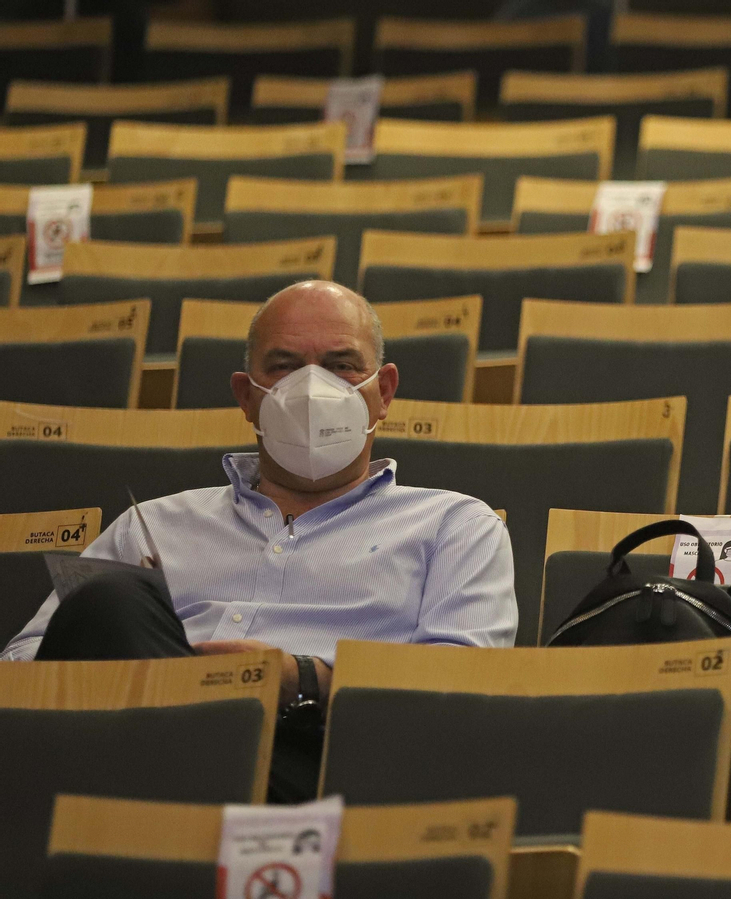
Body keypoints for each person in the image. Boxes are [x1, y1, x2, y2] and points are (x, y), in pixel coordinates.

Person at [2, 281, 517, 801]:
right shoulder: (149, 524)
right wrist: (166, 673)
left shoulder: (456, 525)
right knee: (108, 603)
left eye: (341, 365)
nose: (314, 389)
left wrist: (302, 678)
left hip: (320, 767)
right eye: (285, 366)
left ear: (383, 393)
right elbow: (24, 664)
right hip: (125, 741)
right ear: (247, 397)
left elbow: (462, 692)